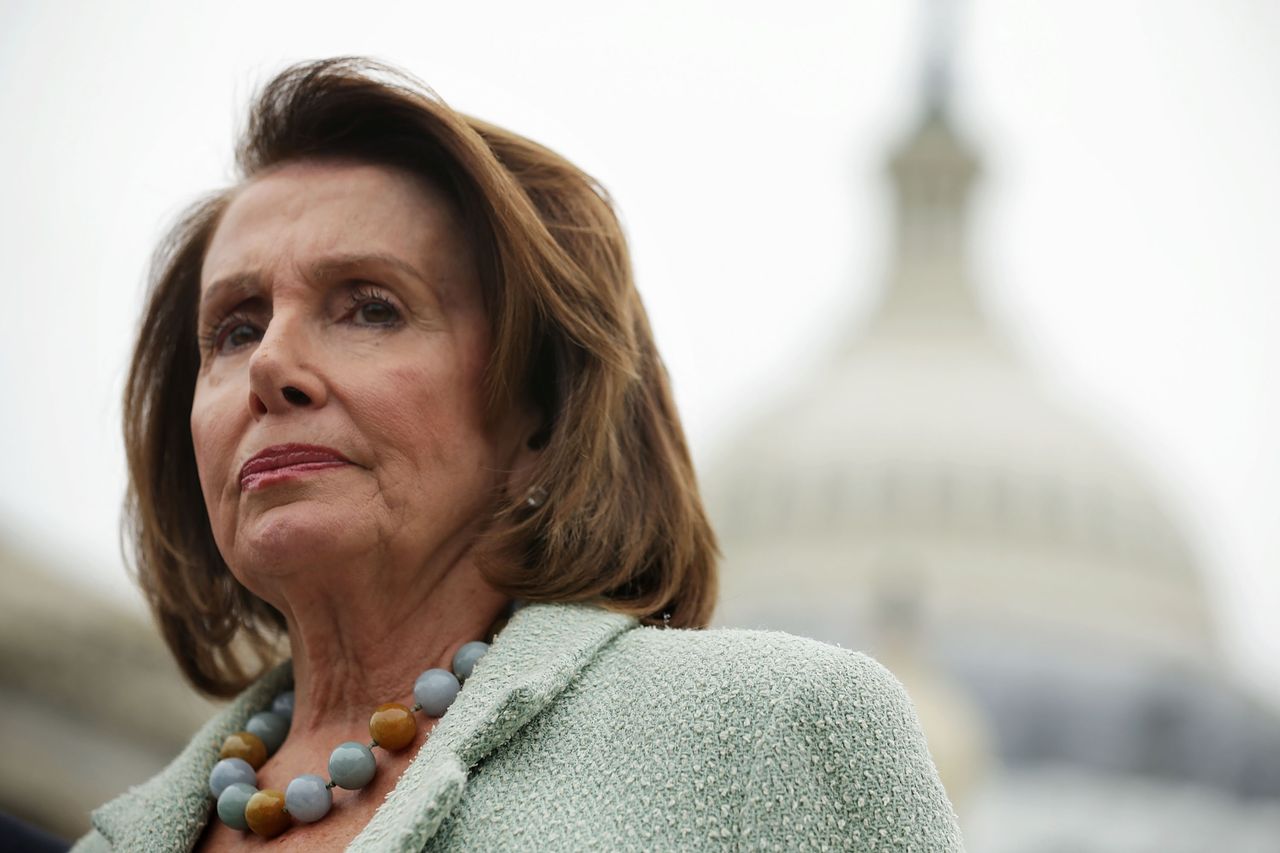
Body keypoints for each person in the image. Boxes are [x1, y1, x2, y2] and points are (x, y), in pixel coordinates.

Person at [70, 58, 964, 852]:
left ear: (539, 409)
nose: (270, 365)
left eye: (370, 306)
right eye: (234, 327)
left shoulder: (769, 739)